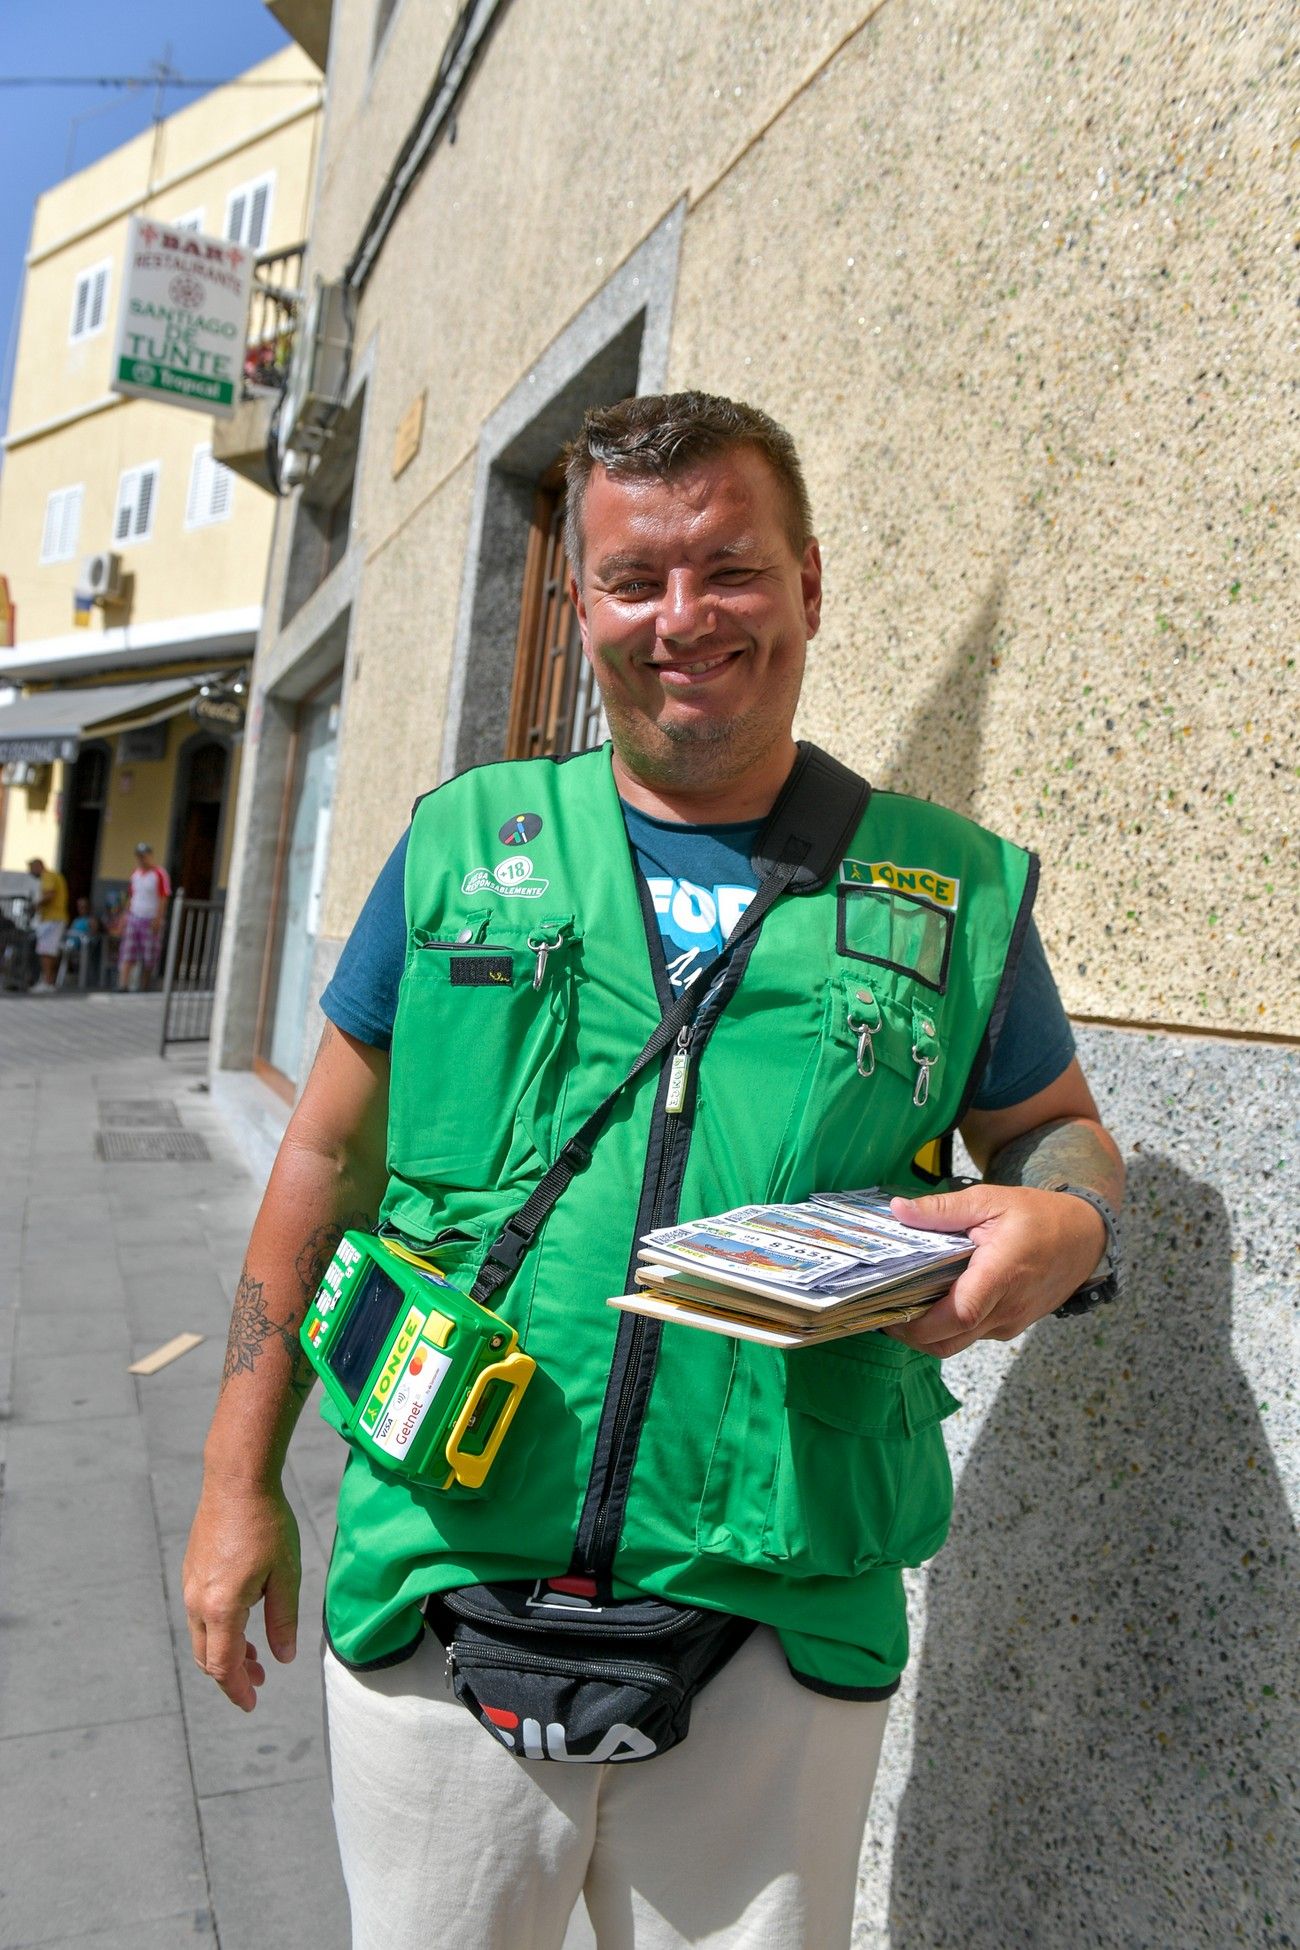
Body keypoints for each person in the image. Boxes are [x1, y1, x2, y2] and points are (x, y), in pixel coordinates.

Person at [184, 393, 1124, 1949]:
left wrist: (1072, 1212)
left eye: (729, 569)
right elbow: (328, 1157)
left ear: (808, 585)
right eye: (636, 579)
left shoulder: (950, 888)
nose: (682, 617)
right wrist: (236, 1484)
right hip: (440, 1581)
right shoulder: (458, 846)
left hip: (780, 1623)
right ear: (582, 607)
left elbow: (1056, 1128)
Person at [117, 842, 171, 992]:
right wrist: (124, 918)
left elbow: (163, 897)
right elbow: (131, 896)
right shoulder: (135, 874)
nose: (141, 859)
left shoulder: (159, 874)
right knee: (128, 951)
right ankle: (123, 984)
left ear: (150, 856)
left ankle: (144, 985)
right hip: (134, 916)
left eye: (144, 856)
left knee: (149, 955)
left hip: (150, 918)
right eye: (139, 856)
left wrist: (158, 919)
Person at [26, 856, 69, 994]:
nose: (31, 872)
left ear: (38, 866)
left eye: (32, 869)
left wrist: (35, 905)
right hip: (55, 919)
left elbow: (49, 894)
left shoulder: (48, 876)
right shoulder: (55, 876)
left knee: (45, 951)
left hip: (52, 919)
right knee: (49, 950)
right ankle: (48, 980)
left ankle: (47, 982)